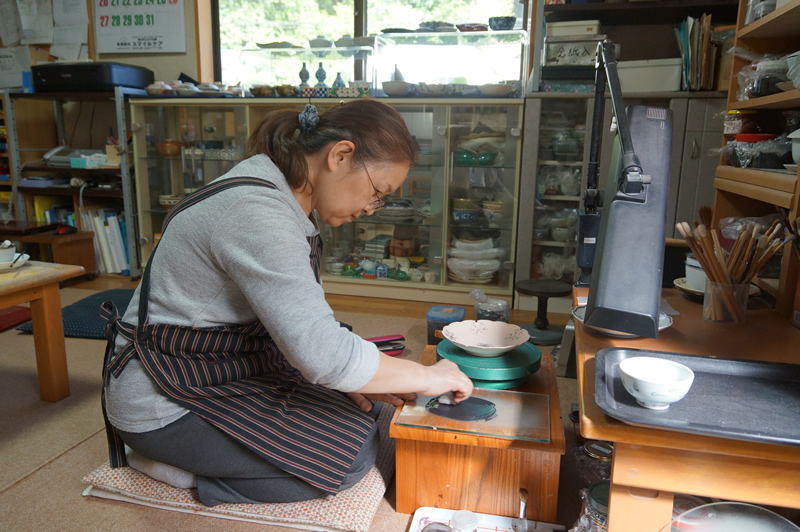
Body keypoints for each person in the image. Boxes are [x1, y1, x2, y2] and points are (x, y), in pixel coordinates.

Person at [101, 99, 473, 507]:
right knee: (346, 462)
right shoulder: (257, 212)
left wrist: (364, 376)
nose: (370, 208)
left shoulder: (280, 192)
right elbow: (322, 353)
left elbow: (305, 329)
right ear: (340, 155)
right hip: (164, 398)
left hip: (218, 366)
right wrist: (427, 377)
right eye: (376, 191)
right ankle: (176, 472)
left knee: (362, 414)